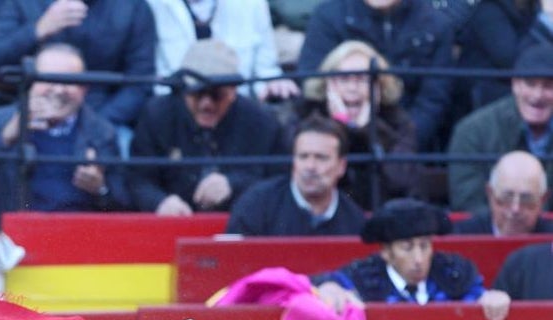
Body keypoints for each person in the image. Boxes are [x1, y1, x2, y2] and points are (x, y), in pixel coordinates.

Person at [0, 42, 128, 268]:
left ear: (84, 89)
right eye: (49, 79)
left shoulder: (102, 133)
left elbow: (125, 204)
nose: (58, 90)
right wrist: (6, 137)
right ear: (30, 84)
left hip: (77, 251)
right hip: (10, 247)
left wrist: (100, 188)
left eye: (70, 82)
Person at [127, 38, 288, 216]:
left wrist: (233, 184)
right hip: (173, 222)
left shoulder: (261, 122)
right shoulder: (157, 115)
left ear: (233, 92)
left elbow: (279, 180)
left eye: (216, 95)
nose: (206, 104)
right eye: (196, 93)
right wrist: (159, 201)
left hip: (240, 223)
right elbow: (138, 178)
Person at [311, 198, 513, 320]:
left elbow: (479, 298)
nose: (418, 259)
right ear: (386, 252)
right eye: (407, 248)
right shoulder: (361, 278)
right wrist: (328, 288)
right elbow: (315, 288)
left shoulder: (454, 275)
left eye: (424, 246)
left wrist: (490, 299)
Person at [296, 0, 457, 151]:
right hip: (332, 141)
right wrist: (343, 132)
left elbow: (433, 100)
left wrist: (404, 144)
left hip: (404, 142)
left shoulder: (436, 24)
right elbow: (313, 84)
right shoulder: (328, 16)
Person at [0, 0, 157, 133]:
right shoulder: (25, 3)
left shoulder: (133, 7)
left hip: (103, 115)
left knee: (124, 155)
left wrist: (98, 125)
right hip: (32, 110)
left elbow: (140, 82)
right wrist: (38, 29)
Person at [289, 39, 419, 210]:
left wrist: (368, 130)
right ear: (328, 83)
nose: (352, 87)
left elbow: (399, 180)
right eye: (344, 78)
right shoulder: (304, 116)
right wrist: (342, 126)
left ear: (379, 86)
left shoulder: (398, 123)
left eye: (363, 79)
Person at [447, 42, 553, 212]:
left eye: (548, 86)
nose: (537, 95)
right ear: (515, 85)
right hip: (495, 235)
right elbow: (467, 201)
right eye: (530, 84)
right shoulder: (472, 131)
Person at [226, 115, 366, 237]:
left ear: (341, 166)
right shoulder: (256, 204)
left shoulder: (354, 219)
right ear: (293, 161)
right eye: (303, 157)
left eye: (321, 158)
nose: (310, 166)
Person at [144, 0, 300, 101]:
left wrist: (273, 85)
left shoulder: (253, 4)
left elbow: (265, 69)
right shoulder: (150, 5)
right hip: (175, 108)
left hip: (235, 108)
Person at [454, 0, 539, 113]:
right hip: (481, 103)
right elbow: (511, 61)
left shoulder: (532, 9)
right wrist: (544, 21)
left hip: (522, 94)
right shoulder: (489, 10)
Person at [452, 150, 553, 235]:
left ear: (543, 200)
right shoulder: (461, 234)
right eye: (507, 197)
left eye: (526, 199)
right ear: (490, 194)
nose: (515, 209)